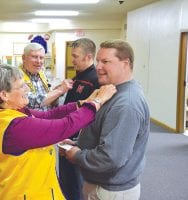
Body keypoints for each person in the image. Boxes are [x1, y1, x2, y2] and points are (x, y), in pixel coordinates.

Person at [0, 64, 116, 200]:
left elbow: (49, 115)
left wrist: (82, 103)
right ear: (4, 95)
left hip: (21, 188)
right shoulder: (17, 125)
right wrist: (97, 102)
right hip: (27, 193)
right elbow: (65, 126)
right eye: (22, 86)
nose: (27, 89)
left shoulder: (3, 113)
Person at [63, 39, 150, 200]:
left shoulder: (126, 103)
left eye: (105, 61)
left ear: (125, 64)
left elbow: (111, 157)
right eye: (98, 61)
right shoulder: (112, 92)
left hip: (111, 191)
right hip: (100, 185)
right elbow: (105, 134)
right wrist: (78, 144)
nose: (98, 67)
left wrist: (77, 155)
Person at [59, 38, 100, 200]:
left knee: (75, 184)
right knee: (67, 182)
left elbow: (91, 113)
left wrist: (78, 140)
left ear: (88, 57)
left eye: (75, 56)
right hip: (67, 135)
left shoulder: (95, 80)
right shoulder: (78, 77)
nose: (72, 60)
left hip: (78, 139)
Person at [20, 42, 73, 110]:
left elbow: (47, 98)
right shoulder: (16, 77)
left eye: (41, 58)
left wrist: (56, 92)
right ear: (23, 58)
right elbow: (30, 102)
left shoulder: (41, 73)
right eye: (34, 57)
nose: (39, 61)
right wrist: (60, 90)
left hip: (47, 117)